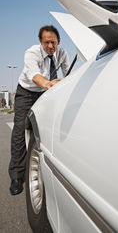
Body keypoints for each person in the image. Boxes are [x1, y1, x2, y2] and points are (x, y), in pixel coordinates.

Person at [9, 25, 69, 195]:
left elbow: (67, 73)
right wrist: (49, 84)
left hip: (44, 92)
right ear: (40, 42)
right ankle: (17, 176)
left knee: (45, 130)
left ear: (59, 41)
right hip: (26, 92)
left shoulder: (62, 53)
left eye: (53, 42)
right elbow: (34, 74)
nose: (50, 46)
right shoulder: (32, 52)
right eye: (47, 42)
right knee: (19, 132)